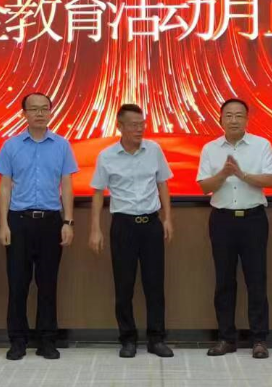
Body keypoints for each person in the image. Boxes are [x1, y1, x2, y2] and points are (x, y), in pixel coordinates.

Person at [0, 92, 77, 361]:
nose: (40, 113)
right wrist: (3, 224)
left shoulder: (62, 145)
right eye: (34, 109)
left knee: (48, 284)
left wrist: (68, 221)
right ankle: (17, 340)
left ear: (51, 112)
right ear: (24, 114)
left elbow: (67, 184)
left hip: (51, 221)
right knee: (17, 284)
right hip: (18, 221)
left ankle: (47, 340)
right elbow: (4, 186)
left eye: (44, 109)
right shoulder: (11, 146)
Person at [89, 104, 176, 359]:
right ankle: (127, 339)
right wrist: (95, 229)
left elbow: (163, 184)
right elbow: (98, 193)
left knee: (154, 284)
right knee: (124, 285)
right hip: (123, 225)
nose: (139, 129)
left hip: (151, 224)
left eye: (142, 124)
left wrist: (167, 218)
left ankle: (156, 339)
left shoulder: (154, 150)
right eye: (133, 125)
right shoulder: (107, 156)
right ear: (120, 126)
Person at [197, 98, 272, 360]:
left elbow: (271, 180)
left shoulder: (261, 145)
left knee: (257, 280)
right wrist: (223, 174)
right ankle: (226, 338)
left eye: (239, 115)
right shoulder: (210, 148)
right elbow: (204, 186)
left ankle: (259, 339)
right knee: (224, 281)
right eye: (229, 115)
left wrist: (242, 175)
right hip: (222, 221)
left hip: (253, 220)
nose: (233, 120)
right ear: (220, 119)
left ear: (247, 119)